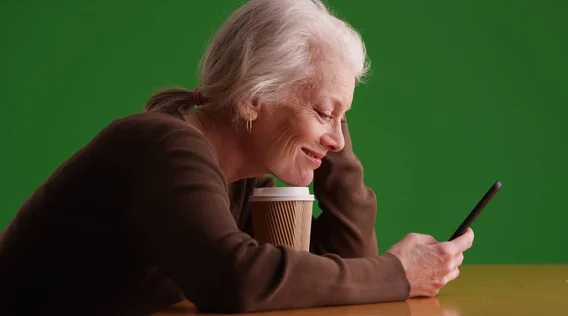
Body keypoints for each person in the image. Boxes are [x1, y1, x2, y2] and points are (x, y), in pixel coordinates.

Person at [0, 0, 474, 315]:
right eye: (326, 113)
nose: (337, 141)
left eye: (343, 121)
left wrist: (330, 119)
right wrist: (397, 274)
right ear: (251, 99)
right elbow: (235, 280)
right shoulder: (165, 147)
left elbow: (344, 262)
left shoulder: (241, 177)